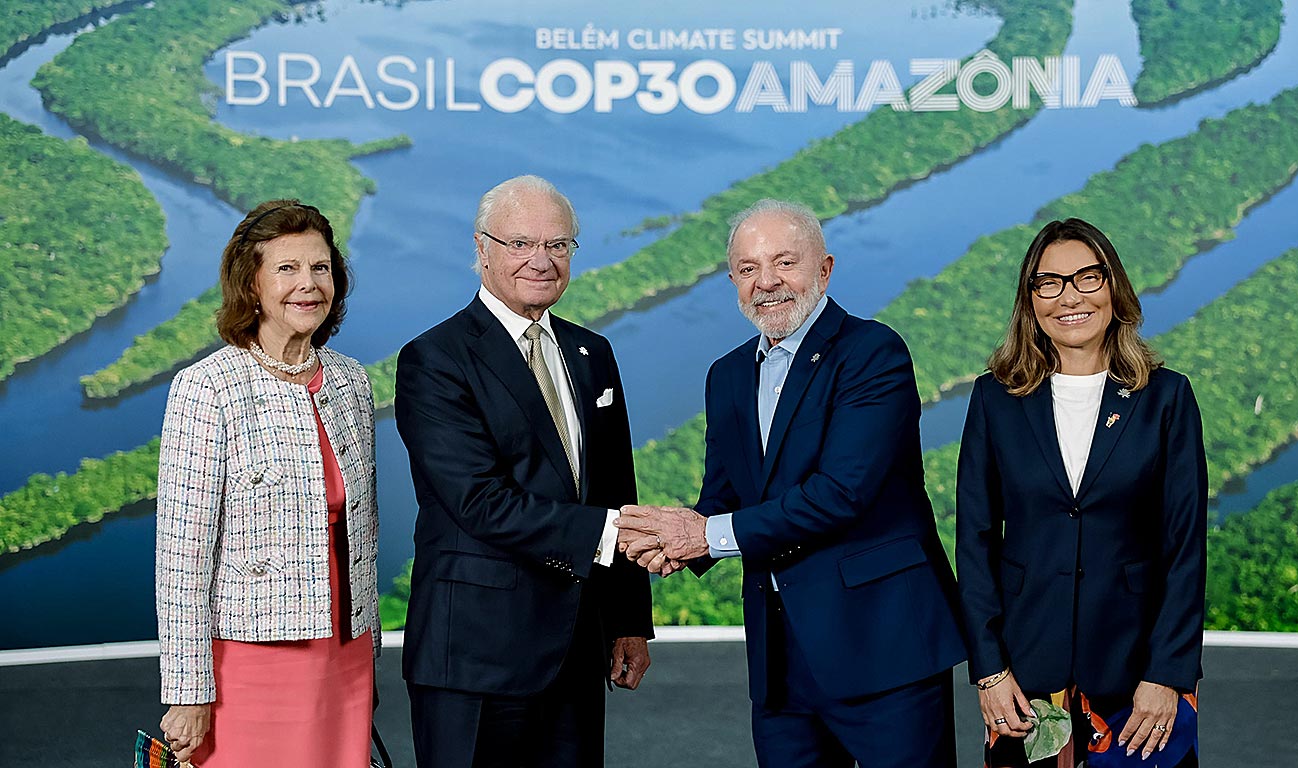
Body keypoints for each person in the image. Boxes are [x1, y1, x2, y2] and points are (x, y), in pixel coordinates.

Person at [617, 199, 965, 768]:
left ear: (824, 269)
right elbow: (724, 499)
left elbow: (842, 493)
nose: (766, 283)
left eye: (784, 262)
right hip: (779, 661)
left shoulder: (873, 352)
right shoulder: (726, 375)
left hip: (882, 645)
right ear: (732, 280)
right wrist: (667, 538)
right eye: (748, 269)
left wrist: (705, 536)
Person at [395, 175, 653, 768]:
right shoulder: (434, 359)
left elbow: (616, 488)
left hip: (577, 648)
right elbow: (480, 501)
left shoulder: (592, 353)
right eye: (520, 244)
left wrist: (628, 620)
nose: (541, 260)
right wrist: (618, 536)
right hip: (476, 656)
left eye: (558, 245)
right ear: (482, 249)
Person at [955, 218, 1207, 767]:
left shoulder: (1167, 399)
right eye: (1049, 283)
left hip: (1139, 677)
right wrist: (988, 670)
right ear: (1031, 300)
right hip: (1023, 682)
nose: (1069, 297)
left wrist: (1167, 673)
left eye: (1087, 278)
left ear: (1114, 287)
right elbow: (974, 543)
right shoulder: (994, 400)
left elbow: (1185, 549)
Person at [156, 200, 381, 766]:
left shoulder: (351, 382)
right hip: (250, 658)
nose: (308, 284)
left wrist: (370, 647)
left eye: (321, 268)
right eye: (287, 268)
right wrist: (188, 691)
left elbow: (363, 531)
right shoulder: (207, 388)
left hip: (345, 649)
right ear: (251, 285)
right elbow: (182, 557)